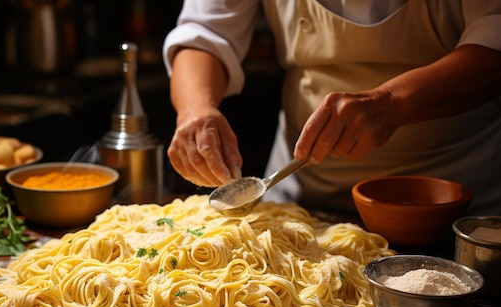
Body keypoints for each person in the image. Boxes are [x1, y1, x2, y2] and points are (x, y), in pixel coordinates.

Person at [162, 0, 501, 215]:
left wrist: (395, 102)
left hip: (451, 199)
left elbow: (494, 38)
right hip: (302, 198)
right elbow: (205, 29)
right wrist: (196, 109)